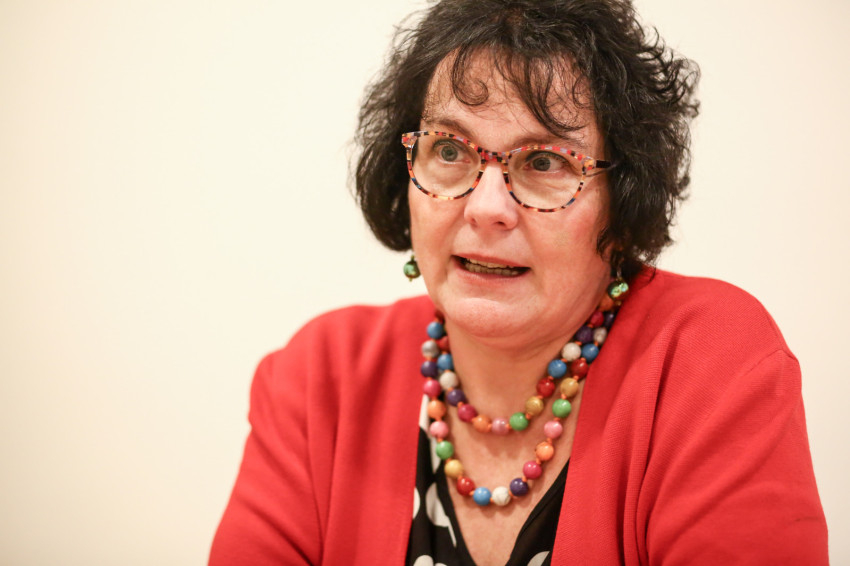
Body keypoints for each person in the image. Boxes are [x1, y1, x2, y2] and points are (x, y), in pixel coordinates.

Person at [209, 0, 828, 564]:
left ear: (623, 200)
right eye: (449, 150)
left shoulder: (708, 363)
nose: (487, 208)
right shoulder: (319, 380)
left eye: (544, 161)